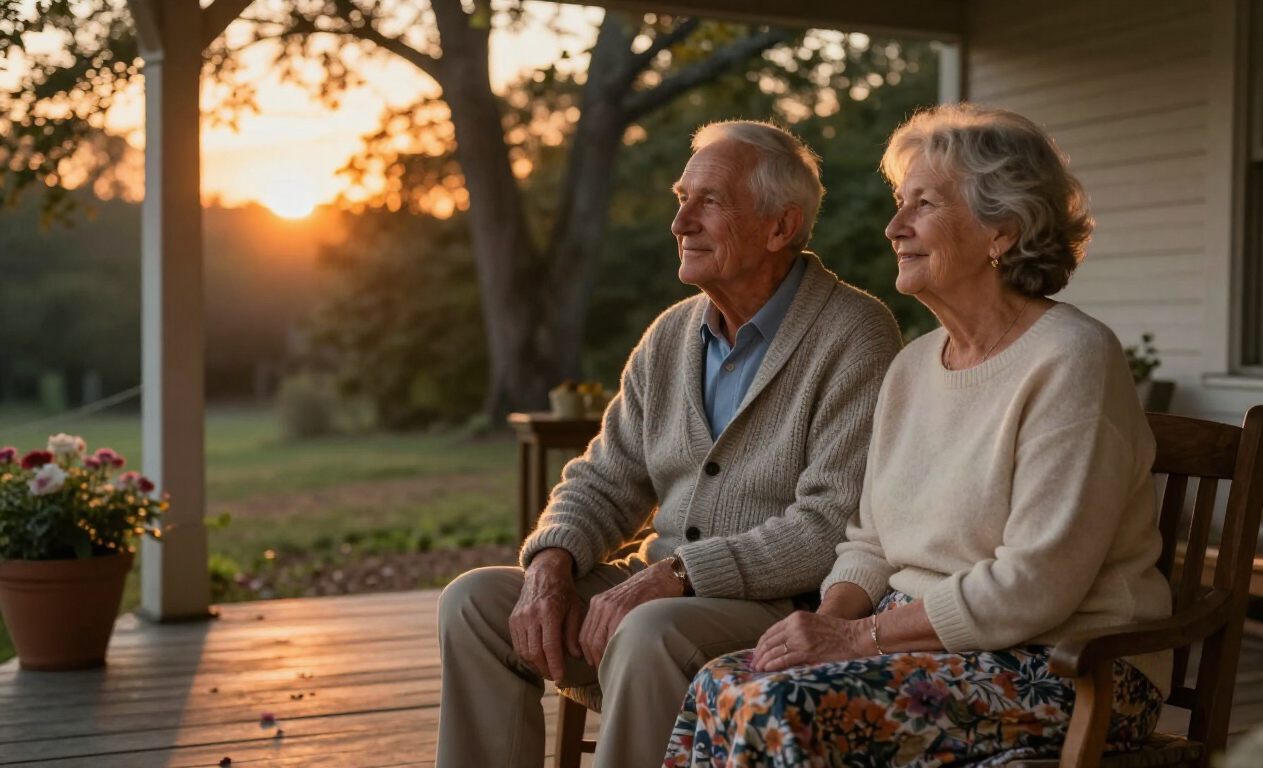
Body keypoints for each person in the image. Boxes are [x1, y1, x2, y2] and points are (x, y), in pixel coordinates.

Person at [665, 104, 1173, 767]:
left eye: (923, 205)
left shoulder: (1072, 358)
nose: (893, 227)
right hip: (929, 646)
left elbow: (1034, 583)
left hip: (1065, 664)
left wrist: (859, 639)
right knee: (721, 681)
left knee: (781, 705)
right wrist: (828, 622)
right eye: (899, 204)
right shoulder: (911, 367)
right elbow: (871, 541)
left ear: (1002, 232)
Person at [435, 120, 903, 768]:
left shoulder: (856, 333)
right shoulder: (670, 336)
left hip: (776, 609)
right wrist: (552, 565)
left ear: (779, 226)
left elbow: (828, 527)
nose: (680, 222)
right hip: (659, 596)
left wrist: (677, 575)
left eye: (708, 201)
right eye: (680, 199)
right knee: (475, 603)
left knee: (647, 628)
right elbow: (604, 479)